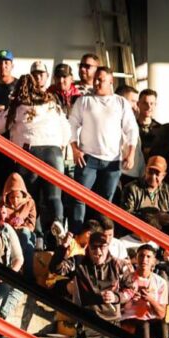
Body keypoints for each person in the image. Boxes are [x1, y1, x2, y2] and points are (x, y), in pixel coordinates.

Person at [0, 68, 70, 243]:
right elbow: (66, 129)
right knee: (53, 196)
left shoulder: (17, 107)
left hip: (28, 152)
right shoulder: (52, 104)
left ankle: (35, 236)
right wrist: (61, 145)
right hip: (54, 151)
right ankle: (58, 222)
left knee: (30, 198)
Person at [69, 66, 139, 231]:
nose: (98, 82)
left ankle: (99, 235)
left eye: (102, 79)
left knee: (105, 201)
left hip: (112, 161)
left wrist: (131, 153)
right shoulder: (84, 101)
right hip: (88, 158)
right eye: (96, 79)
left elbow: (131, 129)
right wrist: (74, 148)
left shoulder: (120, 102)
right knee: (79, 198)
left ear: (111, 81)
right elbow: (71, 124)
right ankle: (77, 235)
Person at [72, 230, 136, 338]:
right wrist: (63, 248)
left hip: (112, 322)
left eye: (102, 247)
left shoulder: (119, 265)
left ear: (108, 247)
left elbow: (131, 289)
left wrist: (116, 297)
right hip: (87, 321)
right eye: (94, 247)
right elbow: (57, 268)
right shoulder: (79, 263)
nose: (98, 252)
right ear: (88, 248)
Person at [119, 243, 169, 338]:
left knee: (163, 325)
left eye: (148, 256)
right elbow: (117, 308)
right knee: (144, 325)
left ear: (154, 261)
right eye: (141, 255)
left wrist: (150, 299)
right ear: (136, 258)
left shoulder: (161, 282)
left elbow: (162, 314)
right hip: (129, 319)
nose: (144, 259)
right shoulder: (125, 279)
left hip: (151, 318)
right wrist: (132, 299)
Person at [121, 155, 169, 220]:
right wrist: (150, 218)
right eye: (150, 172)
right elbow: (126, 214)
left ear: (163, 175)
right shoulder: (132, 188)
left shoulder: (166, 189)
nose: (153, 177)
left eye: (157, 173)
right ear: (145, 170)